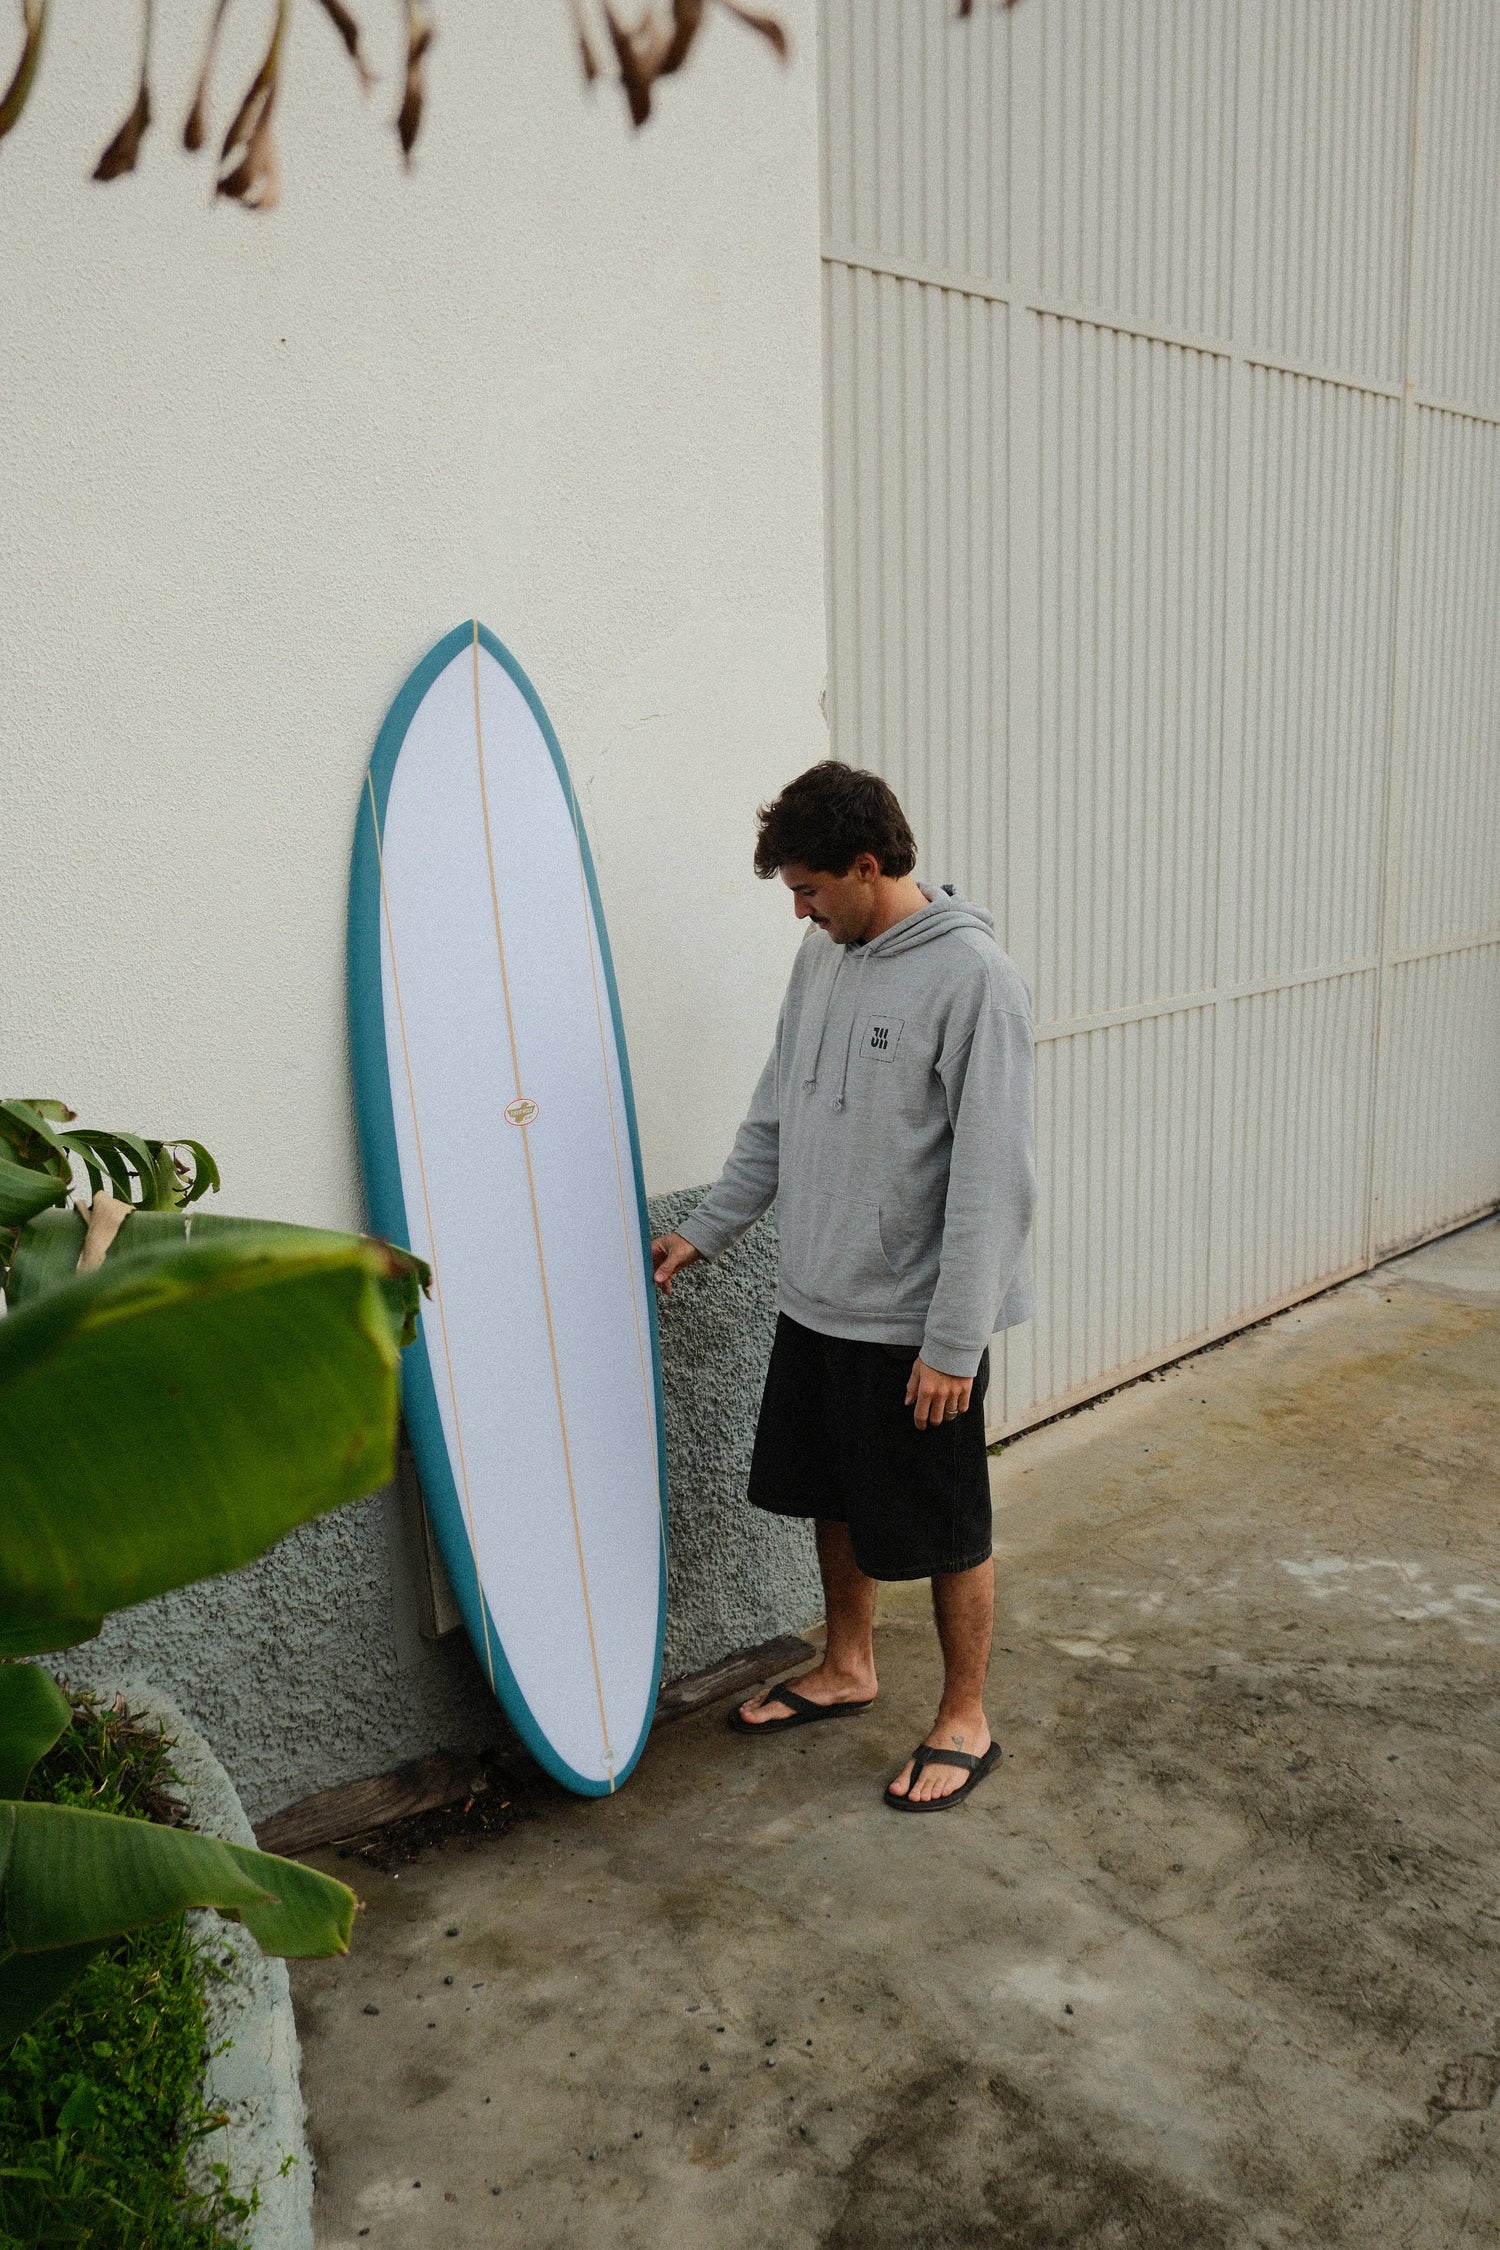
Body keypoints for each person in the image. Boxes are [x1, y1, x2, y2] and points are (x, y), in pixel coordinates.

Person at [651, 761, 1036, 1811]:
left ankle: (966, 1717)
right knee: (830, 1497)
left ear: (870, 867)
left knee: (949, 1522)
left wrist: (953, 1342)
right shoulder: (822, 959)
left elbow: (994, 1176)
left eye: (813, 887)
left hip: (913, 1323)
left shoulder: (973, 980)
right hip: (814, 1297)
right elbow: (776, 1111)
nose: (799, 907)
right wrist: (709, 1229)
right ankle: (848, 1664)